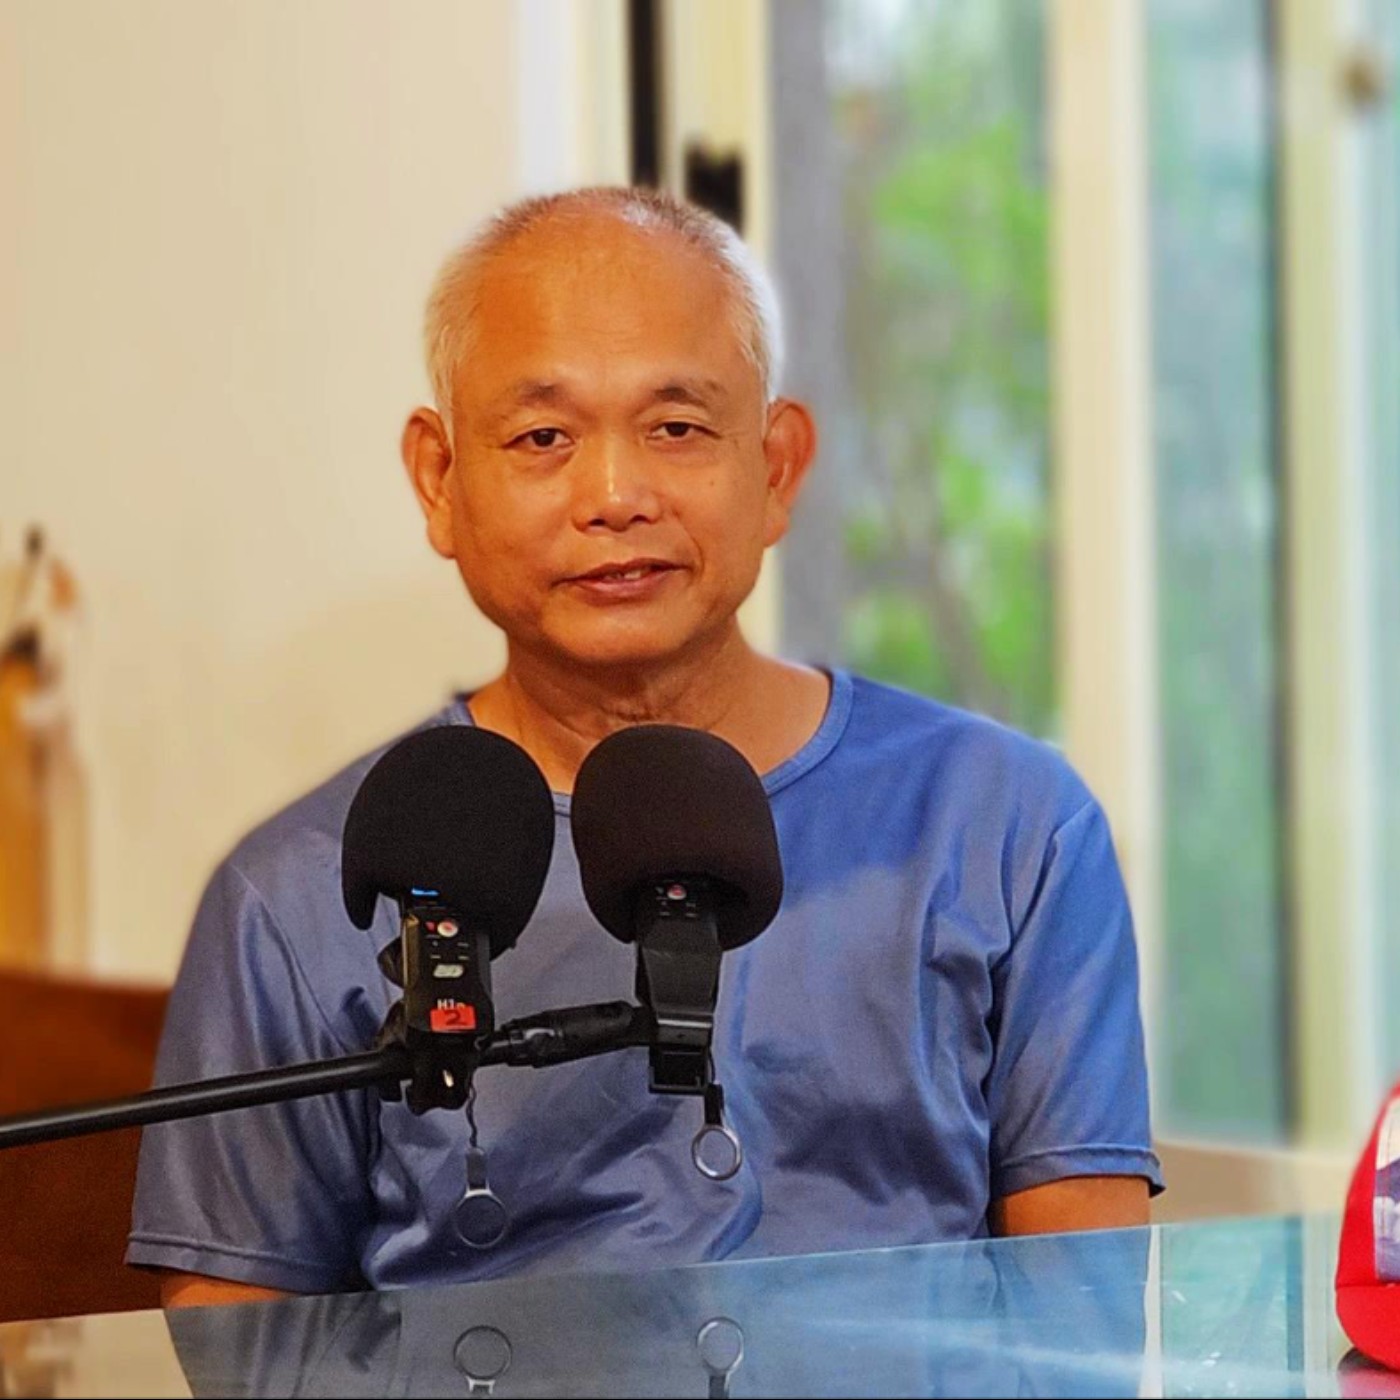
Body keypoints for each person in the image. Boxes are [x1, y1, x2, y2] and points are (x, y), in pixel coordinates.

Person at [128, 186, 1162, 1309]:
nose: (614, 495)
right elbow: (231, 1354)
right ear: (439, 480)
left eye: (675, 427)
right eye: (542, 438)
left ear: (775, 467)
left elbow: (1082, 1319)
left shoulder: (1006, 826)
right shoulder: (300, 887)